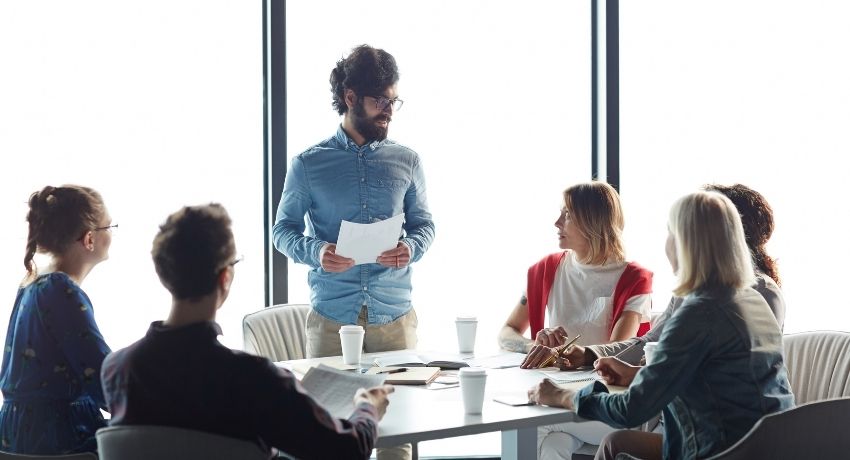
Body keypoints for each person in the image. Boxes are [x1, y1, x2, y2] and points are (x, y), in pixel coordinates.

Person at [101, 204, 392, 459]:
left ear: (162, 273)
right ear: (225, 276)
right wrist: (368, 408)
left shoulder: (117, 370)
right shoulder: (252, 378)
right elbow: (346, 451)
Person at [528, 190, 794, 460]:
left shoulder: (700, 311)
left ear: (684, 243)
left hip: (720, 450)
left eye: (670, 233)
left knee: (539, 423)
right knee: (596, 442)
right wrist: (636, 374)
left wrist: (562, 396)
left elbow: (633, 409)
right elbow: (713, 374)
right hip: (769, 447)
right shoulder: (750, 299)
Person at [272, 44, 435, 360]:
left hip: (394, 318)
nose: (388, 110)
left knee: (400, 405)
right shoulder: (307, 164)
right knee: (327, 408)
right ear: (350, 98)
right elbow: (282, 231)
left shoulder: (408, 161)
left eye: (393, 101)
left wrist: (411, 248)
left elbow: (424, 225)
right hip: (331, 318)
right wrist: (317, 252)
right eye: (380, 101)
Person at [497, 181, 653, 459]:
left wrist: (568, 355)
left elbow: (620, 349)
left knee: (530, 424)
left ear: (593, 222)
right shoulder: (546, 269)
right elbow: (506, 332)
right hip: (563, 397)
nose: (557, 222)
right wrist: (536, 346)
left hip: (608, 403)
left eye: (567, 214)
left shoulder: (633, 278)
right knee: (552, 445)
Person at [558, 183, 785, 371]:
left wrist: (642, 376)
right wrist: (589, 354)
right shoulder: (691, 291)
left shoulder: (762, 293)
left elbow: (731, 372)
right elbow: (650, 342)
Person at [0, 185, 113, 454]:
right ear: (89, 239)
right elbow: (102, 378)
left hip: (20, 431)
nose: (113, 234)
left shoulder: (33, 284)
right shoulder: (61, 291)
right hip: (54, 435)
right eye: (111, 227)